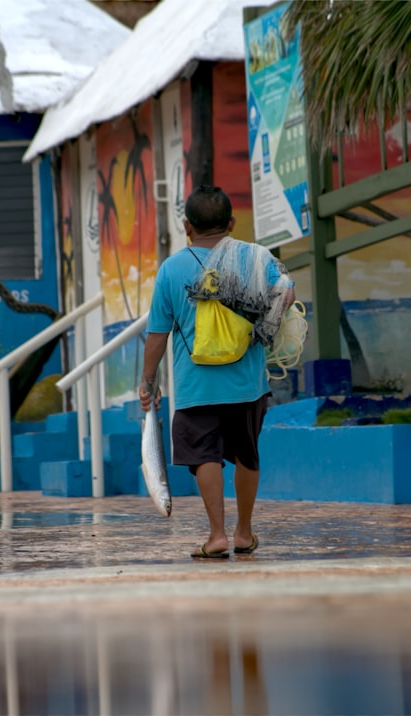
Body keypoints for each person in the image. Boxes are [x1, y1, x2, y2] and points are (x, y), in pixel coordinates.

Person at [140, 185, 294, 558]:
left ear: (186, 226)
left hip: (197, 386)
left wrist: (148, 381)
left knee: (204, 456)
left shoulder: (172, 269)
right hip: (247, 382)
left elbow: (157, 335)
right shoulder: (257, 258)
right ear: (231, 223)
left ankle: (217, 536)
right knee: (246, 455)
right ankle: (244, 533)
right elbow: (286, 295)